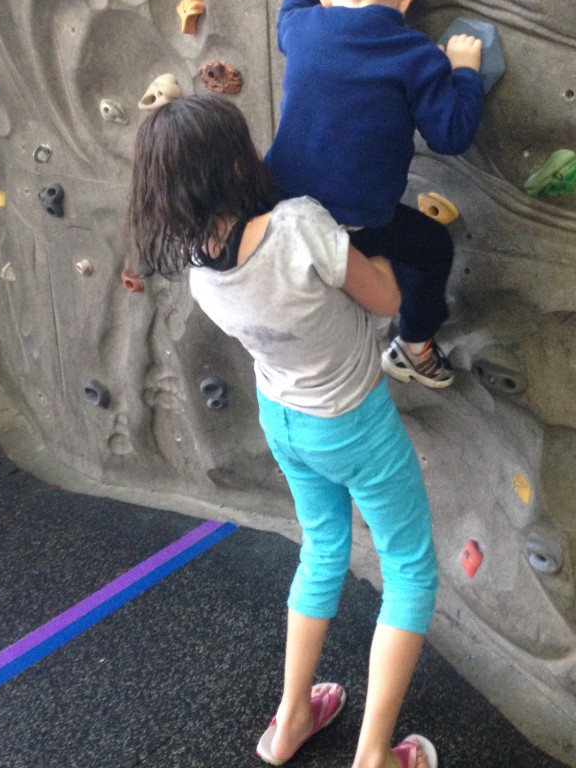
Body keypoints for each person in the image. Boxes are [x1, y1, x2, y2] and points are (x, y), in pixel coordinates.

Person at [128, 94, 440, 768]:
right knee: (411, 572)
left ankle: (292, 717)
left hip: (285, 421)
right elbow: (385, 300)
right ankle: (375, 756)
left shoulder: (195, 265)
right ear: (239, 166)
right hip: (353, 423)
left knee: (324, 551)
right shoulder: (298, 226)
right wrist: (382, 258)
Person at [265, 0, 484, 390]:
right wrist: (465, 73)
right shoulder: (416, 54)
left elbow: (291, 8)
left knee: (394, 238)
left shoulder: (303, 27)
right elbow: (450, 135)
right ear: (406, 4)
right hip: (354, 221)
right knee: (430, 248)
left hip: (278, 208)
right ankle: (414, 348)